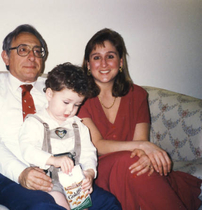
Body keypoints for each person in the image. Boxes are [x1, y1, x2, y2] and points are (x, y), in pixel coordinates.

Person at [0, 24, 121, 209]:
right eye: (23, 50)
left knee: (108, 204)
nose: (32, 56)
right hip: (11, 176)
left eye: (38, 51)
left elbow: (79, 136)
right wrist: (21, 173)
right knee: (44, 207)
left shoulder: (57, 87)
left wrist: (87, 172)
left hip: (62, 175)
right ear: (5, 56)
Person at [78, 28, 202, 210]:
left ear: (120, 62)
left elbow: (140, 141)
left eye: (110, 56)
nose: (103, 63)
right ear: (88, 64)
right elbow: (96, 144)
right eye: (96, 57)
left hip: (131, 162)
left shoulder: (137, 94)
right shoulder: (79, 97)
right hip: (97, 169)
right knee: (132, 163)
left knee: (139, 165)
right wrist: (142, 147)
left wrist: (143, 152)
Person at [19, 62, 114, 209]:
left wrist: (89, 172)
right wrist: (53, 160)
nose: (70, 110)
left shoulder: (78, 126)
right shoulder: (35, 122)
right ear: (50, 94)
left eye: (77, 105)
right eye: (66, 102)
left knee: (102, 203)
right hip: (49, 183)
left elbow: (89, 152)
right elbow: (28, 150)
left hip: (74, 182)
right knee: (63, 206)